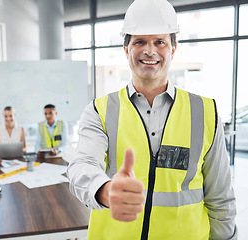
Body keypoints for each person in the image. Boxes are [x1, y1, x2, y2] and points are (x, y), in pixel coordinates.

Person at [67, 0, 237, 239]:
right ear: (126, 49)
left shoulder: (205, 111)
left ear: (173, 49)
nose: (150, 51)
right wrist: (105, 190)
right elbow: (81, 165)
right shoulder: (99, 111)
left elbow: (221, 200)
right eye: (139, 42)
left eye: (160, 42)